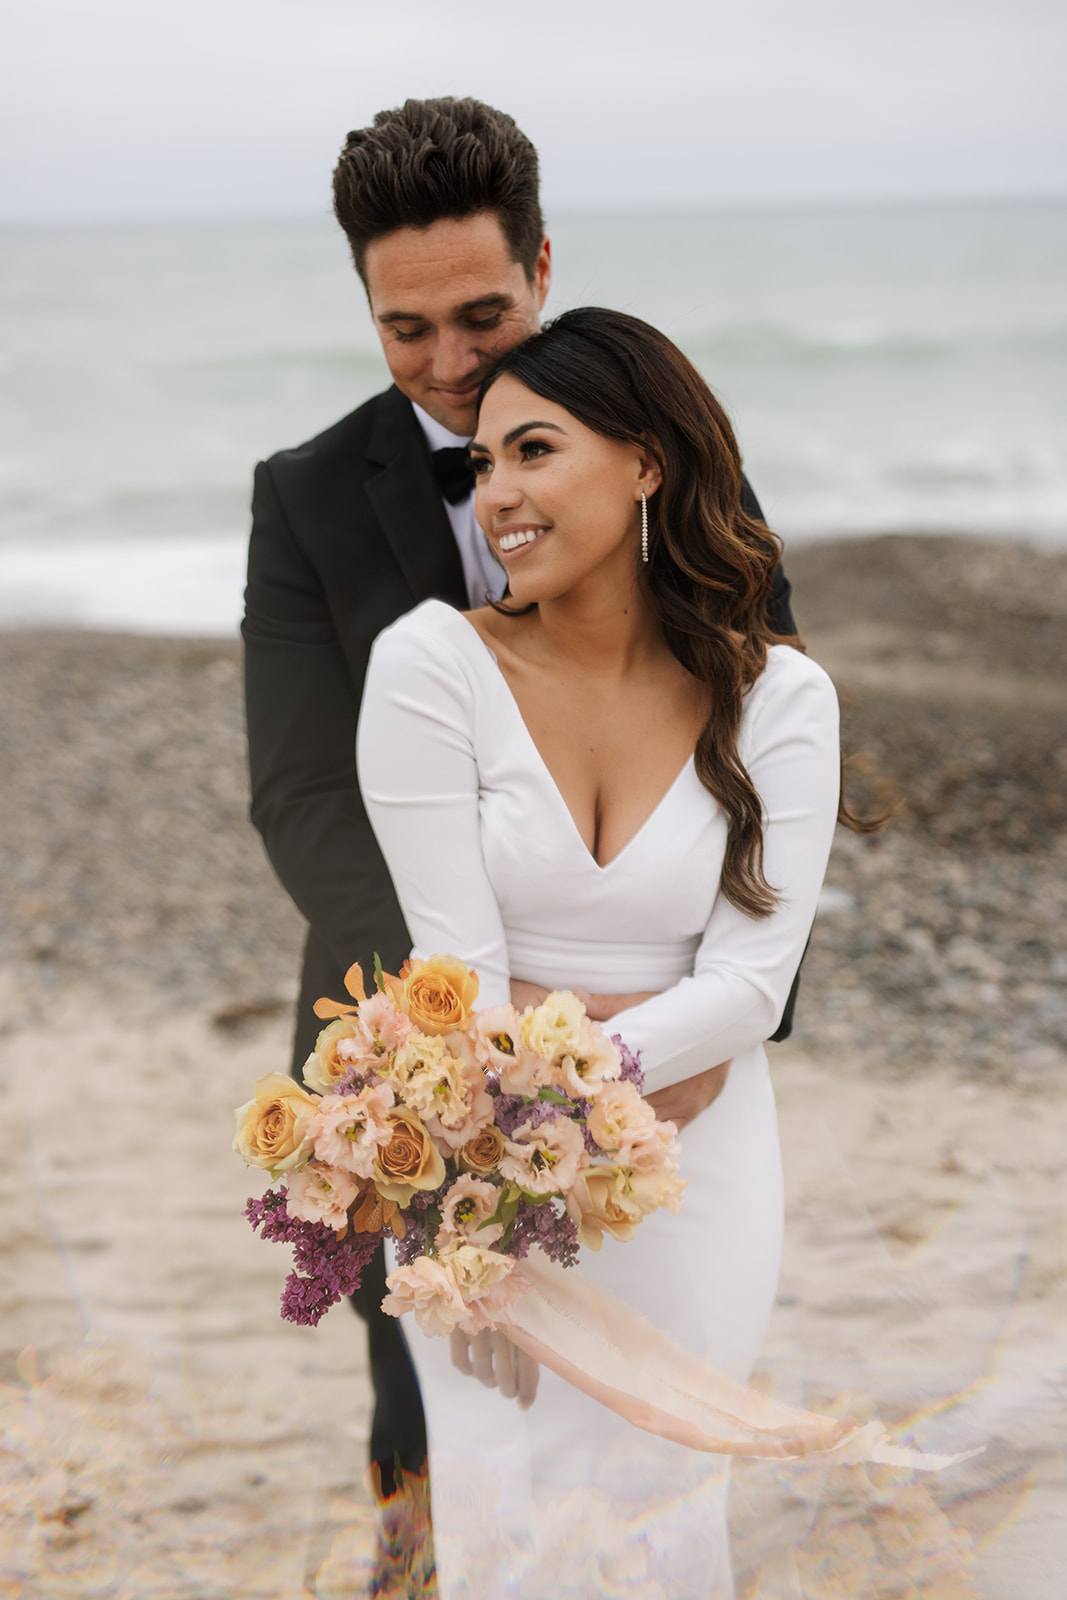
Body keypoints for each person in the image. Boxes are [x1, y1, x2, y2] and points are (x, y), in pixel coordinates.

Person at [242, 97, 796, 1496]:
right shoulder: (305, 497)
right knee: (428, 1408)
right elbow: (305, 792)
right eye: (403, 329)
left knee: (663, 1417)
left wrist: (715, 1023)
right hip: (411, 1035)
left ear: (544, 266)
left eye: (481, 315)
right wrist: (464, 1057)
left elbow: (766, 770)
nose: (448, 363)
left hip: (669, 1044)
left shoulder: (681, 461)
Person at [355, 306, 845, 1597]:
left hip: (697, 1182)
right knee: (504, 1514)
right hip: (478, 1187)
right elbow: (453, 972)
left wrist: (571, 1045)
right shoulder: (428, 669)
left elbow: (749, 988)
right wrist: (501, 1214)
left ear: (646, 461)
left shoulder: (781, 700)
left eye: (534, 451)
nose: (496, 494)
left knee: (667, 1505)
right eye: (481, 465)